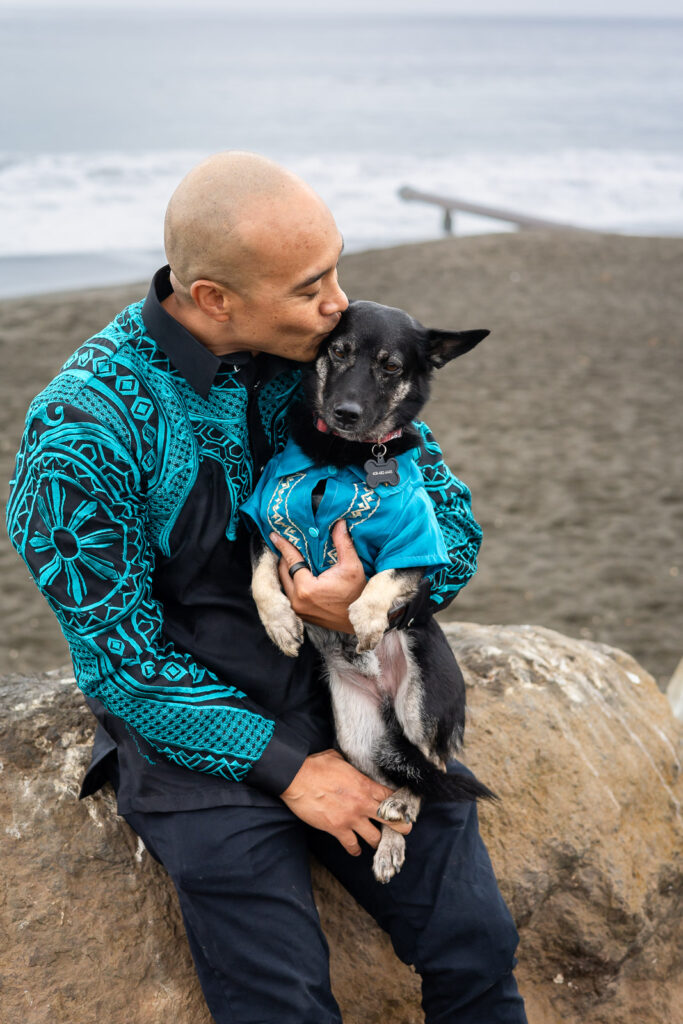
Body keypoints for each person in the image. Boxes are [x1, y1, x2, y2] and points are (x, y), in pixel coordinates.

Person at [6, 152, 527, 1023]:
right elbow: (118, 660)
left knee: (477, 947)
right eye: (309, 286)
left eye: (336, 269)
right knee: (281, 1004)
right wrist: (290, 769)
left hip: (356, 700)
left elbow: (452, 533)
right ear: (215, 298)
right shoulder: (79, 431)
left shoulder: (333, 359)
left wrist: (369, 601)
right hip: (195, 745)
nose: (336, 303)